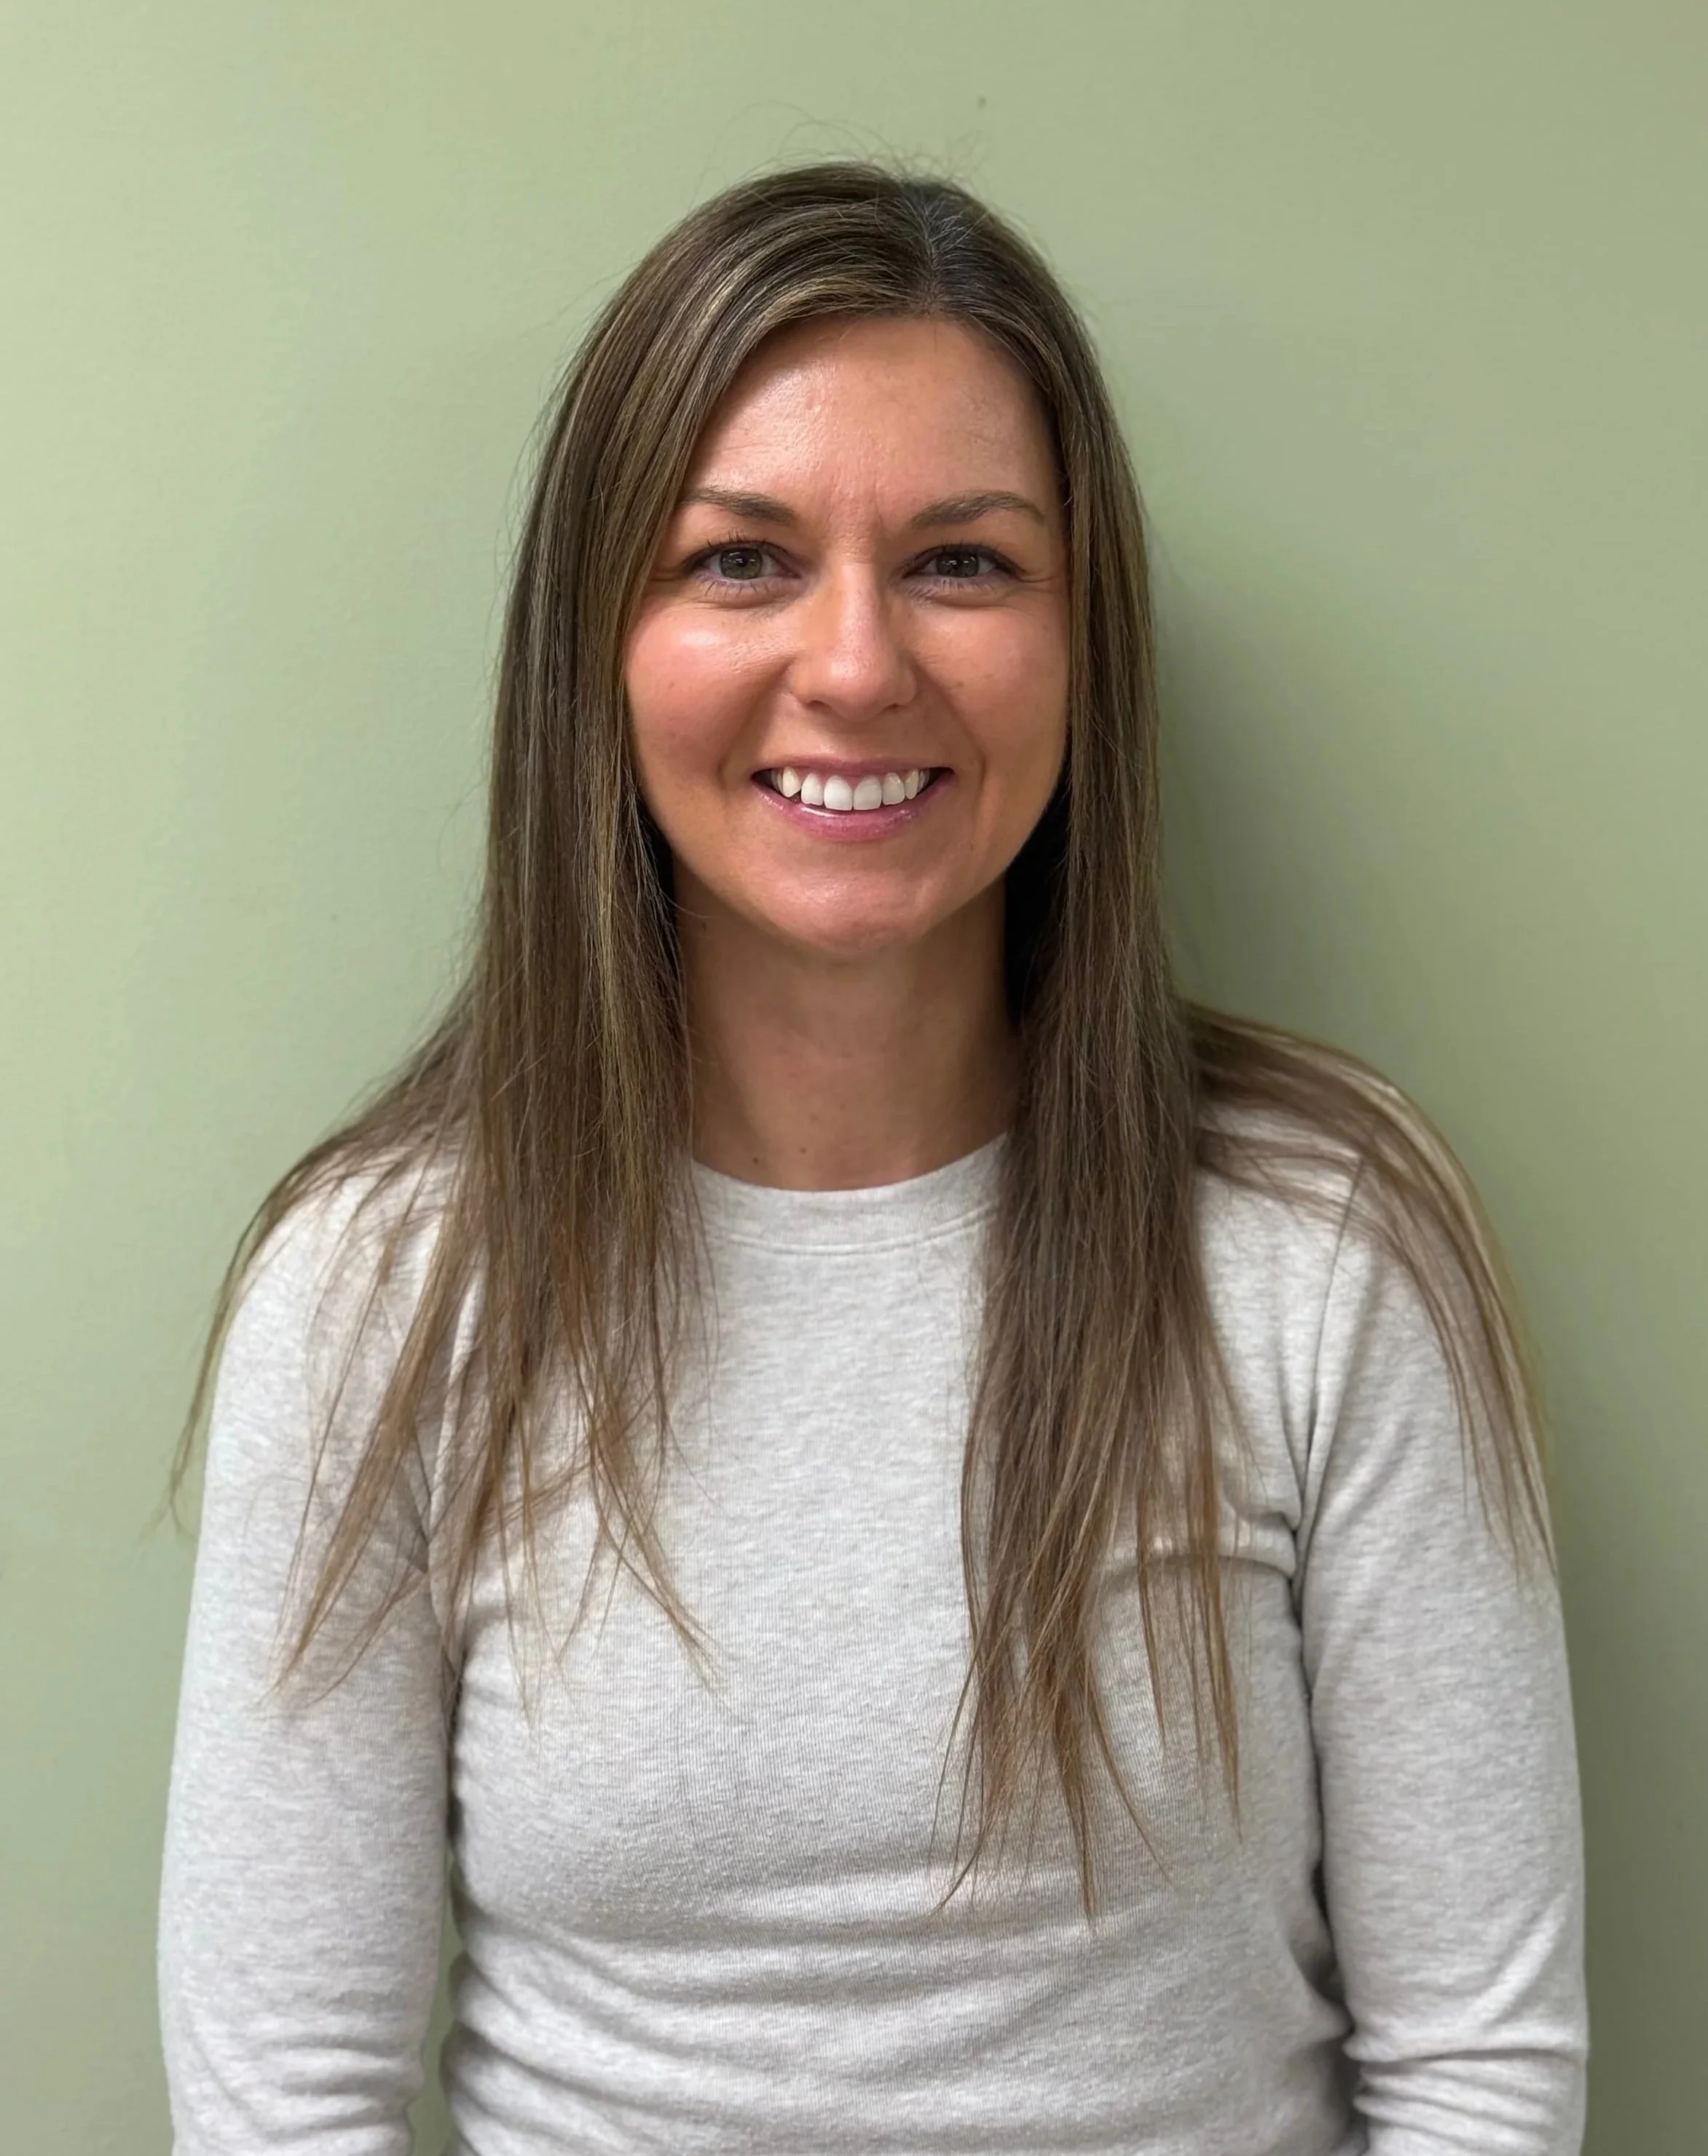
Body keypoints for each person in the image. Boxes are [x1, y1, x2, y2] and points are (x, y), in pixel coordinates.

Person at [157, 162, 1587, 2155]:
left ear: (1088, 643)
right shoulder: (384, 1289)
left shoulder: (1325, 1247)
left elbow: (1477, 2072)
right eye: (740, 560)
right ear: (603, 647)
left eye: (965, 564)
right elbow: (281, 2101)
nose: (854, 665)